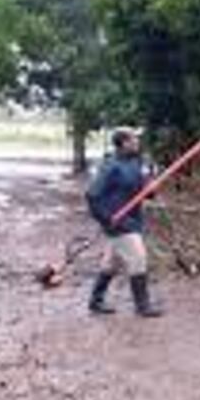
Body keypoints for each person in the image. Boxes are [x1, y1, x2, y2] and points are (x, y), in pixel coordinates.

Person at [85, 127, 163, 318]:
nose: (137, 142)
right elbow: (92, 195)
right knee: (138, 258)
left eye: (137, 139)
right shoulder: (111, 166)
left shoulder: (137, 162)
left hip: (133, 219)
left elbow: (145, 191)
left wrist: (152, 188)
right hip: (119, 222)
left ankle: (96, 301)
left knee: (111, 263)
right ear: (123, 143)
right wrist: (106, 218)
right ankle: (142, 306)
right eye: (133, 139)